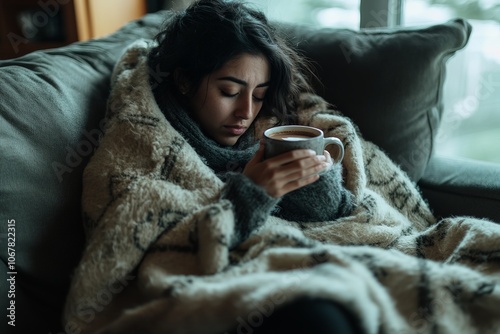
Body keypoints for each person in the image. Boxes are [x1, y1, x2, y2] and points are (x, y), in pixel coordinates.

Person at [144, 0, 358, 333]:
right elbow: (163, 253)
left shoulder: (270, 131)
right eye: (229, 91)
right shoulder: (150, 140)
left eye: (258, 95)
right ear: (185, 81)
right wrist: (252, 195)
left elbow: (341, 211)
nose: (246, 112)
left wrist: (317, 174)